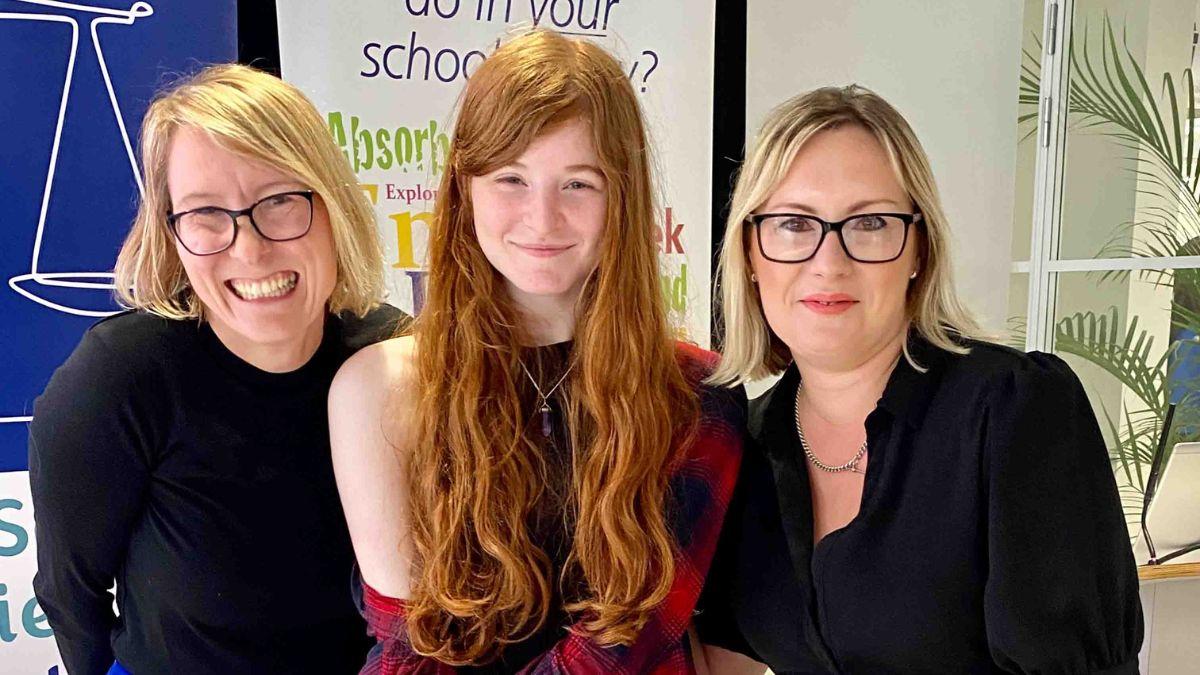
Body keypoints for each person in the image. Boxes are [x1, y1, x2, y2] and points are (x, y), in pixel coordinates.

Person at [328, 29, 743, 674]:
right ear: (465, 188)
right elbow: (412, 650)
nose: (542, 219)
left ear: (622, 200)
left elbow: (622, 650)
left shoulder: (697, 393)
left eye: (578, 184)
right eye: (511, 178)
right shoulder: (376, 389)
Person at [696, 85, 1143, 674]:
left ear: (919, 251)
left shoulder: (1012, 410)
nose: (829, 261)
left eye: (871, 222)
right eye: (793, 224)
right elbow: (723, 657)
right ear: (751, 255)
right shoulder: (741, 445)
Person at [29, 64, 404, 675]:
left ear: (333, 204)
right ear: (171, 234)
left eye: (280, 201)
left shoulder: (393, 359)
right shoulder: (120, 379)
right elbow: (73, 597)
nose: (249, 249)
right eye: (206, 214)